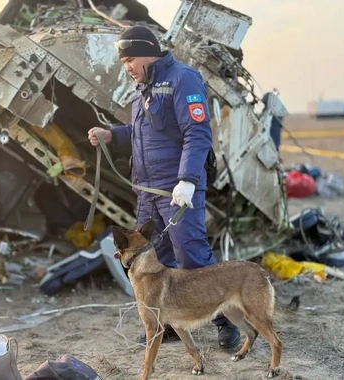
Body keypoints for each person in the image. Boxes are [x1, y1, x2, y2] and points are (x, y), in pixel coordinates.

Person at [88, 25, 240, 349]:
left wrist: (187, 179)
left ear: (148, 50)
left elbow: (197, 132)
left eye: (130, 59)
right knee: (158, 259)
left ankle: (226, 322)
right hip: (148, 191)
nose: (127, 67)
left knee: (192, 255)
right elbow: (142, 132)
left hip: (176, 188)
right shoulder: (142, 89)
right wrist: (112, 135)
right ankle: (167, 324)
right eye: (123, 61)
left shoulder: (182, 79)